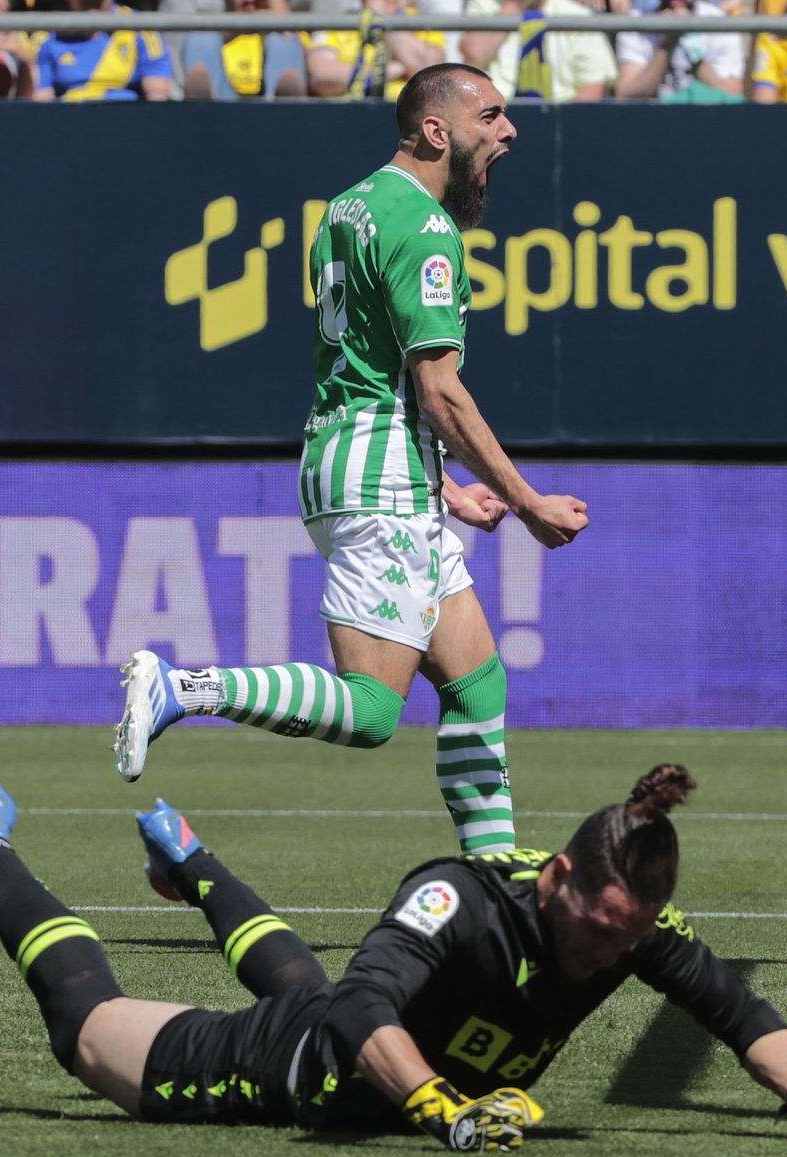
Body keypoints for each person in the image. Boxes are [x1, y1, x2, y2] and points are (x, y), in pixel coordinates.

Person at [0, 765, 787, 1149]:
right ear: (559, 876)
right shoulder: (462, 896)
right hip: (285, 1067)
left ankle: (190, 860)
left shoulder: (632, 922)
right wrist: (438, 1107)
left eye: (628, 934)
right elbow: (362, 1007)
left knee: (307, 977)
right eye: (598, 925)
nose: (607, 949)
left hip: (362, 1038)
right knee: (86, 1032)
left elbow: (734, 1011)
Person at [114, 64, 589, 856]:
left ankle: (495, 874)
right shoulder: (428, 231)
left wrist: (447, 489)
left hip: (361, 455)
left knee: (478, 684)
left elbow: (370, 367)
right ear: (438, 131)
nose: (509, 132)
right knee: (371, 712)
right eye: (493, 117)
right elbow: (440, 392)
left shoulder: (348, 207)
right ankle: (184, 687)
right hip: (381, 475)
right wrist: (527, 500)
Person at [460, 0, 619, 103]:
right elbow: (474, 56)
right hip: (494, 117)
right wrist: (512, 8)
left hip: (561, 119)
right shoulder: (485, 4)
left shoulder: (577, 15)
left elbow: (592, 88)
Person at [32, 0, 172, 101]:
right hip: (70, 124)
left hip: (126, 121)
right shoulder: (47, 35)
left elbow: (158, 95)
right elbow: (41, 102)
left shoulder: (140, 27)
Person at [614, 0, 748, 103]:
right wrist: (667, 44)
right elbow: (625, 93)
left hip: (707, 121)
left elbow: (733, 95)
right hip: (653, 121)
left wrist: (691, 45)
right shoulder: (635, 22)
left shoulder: (721, 22)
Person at [306, 0, 445, 99]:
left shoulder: (421, 20)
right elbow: (321, 75)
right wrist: (387, 71)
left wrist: (380, 19)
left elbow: (430, 71)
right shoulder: (340, 22)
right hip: (347, 113)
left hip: (407, 114)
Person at [176, 0, 307, 101]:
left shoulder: (282, 37)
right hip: (222, 102)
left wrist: (269, 16)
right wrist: (238, 25)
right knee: (202, 37)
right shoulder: (215, 32)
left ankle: (285, 107)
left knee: (285, 39)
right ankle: (203, 108)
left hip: (269, 107)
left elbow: (294, 32)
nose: (250, 1)